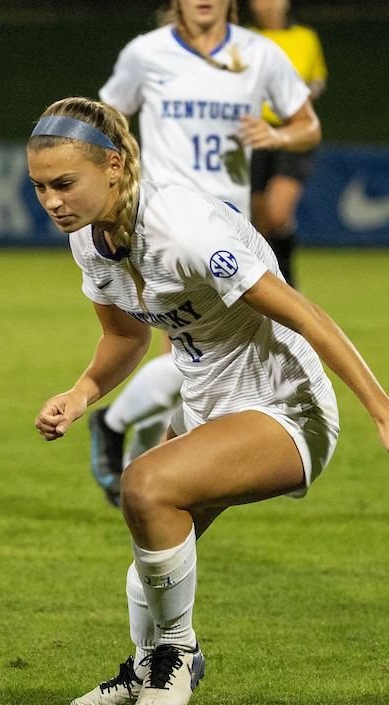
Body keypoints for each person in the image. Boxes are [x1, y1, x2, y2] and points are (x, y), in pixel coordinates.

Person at [27, 97, 389, 705]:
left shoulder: (182, 228)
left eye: (63, 183)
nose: (52, 200)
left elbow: (305, 314)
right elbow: (125, 337)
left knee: (146, 487)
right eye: (39, 187)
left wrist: (386, 413)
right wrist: (80, 393)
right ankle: (148, 666)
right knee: (147, 561)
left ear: (112, 165)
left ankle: (178, 657)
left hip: (285, 406)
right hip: (206, 403)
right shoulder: (91, 239)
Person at [87, 0, 321, 506]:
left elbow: (309, 125)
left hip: (225, 230)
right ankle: (123, 438)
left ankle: (127, 443)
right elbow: (104, 123)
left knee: (197, 359)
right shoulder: (146, 53)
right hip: (162, 228)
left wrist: (278, 134)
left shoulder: (259, 53)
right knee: (194, 356)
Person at [249, 0, 327, 289]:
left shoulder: (305, 37)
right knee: (259, 224)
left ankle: (288, 281)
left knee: (277, 213)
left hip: (292, 132)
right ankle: (270, 288)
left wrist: (291, 96)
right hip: (253, 133)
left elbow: (317, 80)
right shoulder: (243, 40)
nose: (268, 5)